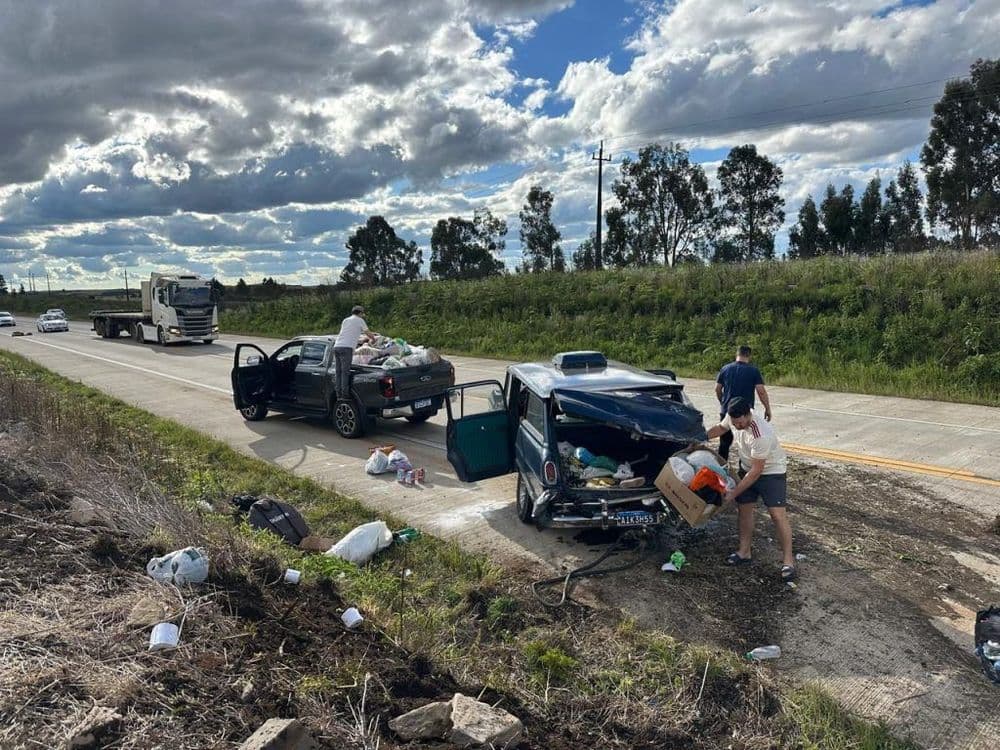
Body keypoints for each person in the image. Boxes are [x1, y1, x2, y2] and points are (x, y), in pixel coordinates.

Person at [706, 397, 796, 582]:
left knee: (777, 515)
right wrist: (700, 438)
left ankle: (788, 560)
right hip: (747, 468)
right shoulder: (733, 418)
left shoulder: (761, 434)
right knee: (744, 510)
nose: (737, 426)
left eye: (740, 422)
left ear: (749, 415)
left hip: (771, 472)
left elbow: (756, 472)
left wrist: (733, 493)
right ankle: (744, 551)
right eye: (734, 422)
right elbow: (721, 428)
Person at [715, 345, 772, 463]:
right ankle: (744, 468)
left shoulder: (725, 368)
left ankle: (720, 469)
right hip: (744, 415)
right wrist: (767, 408)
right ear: (749, 356)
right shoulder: (753, 371)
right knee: (746, 445)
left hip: (728, 411)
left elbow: (717, 389)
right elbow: (761, 392)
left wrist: (723, 403)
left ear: (737, 354)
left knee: (724, 444)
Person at [333, 305, 373, 400]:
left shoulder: (346, 320)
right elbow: (367, 332)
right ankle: (345, 395)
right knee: (345, 372)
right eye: (363, 313)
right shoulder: (359, 320)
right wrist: (374, 338)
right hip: (346, 349)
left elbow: (349, 334)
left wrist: (360, 341)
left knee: (338, 372)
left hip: (337, 346)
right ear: (360, 313)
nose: (363, 315)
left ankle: (338, 394)